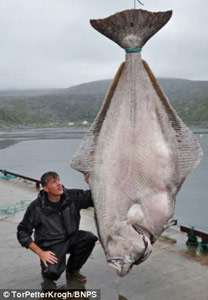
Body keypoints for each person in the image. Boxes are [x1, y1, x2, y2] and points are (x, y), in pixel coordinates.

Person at [17, 171, 97, 282]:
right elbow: (22, 231)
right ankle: (48, 272)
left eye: (59, 180)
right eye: (54, 182)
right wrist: (40, 253)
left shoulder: (72, 197)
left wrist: (92, 181)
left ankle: (72, 271)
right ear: (46, 188)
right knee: (52, 274)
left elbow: (95, 197)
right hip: (50, 245)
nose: (59, 184)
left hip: (71, 239)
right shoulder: (36, 207)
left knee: (88, 238)